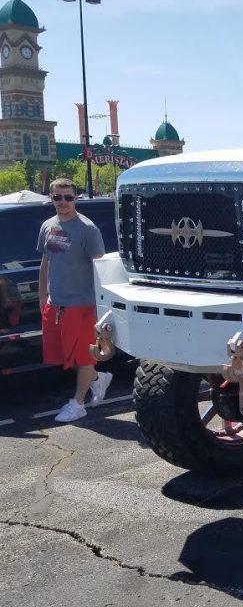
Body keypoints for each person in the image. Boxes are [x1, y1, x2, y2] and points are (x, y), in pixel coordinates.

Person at [37, 178, 113, 423]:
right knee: (65, 355)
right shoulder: (48, 226)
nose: (63, 202)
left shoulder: (87, 229)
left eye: (68, 197)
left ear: (76, 198)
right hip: (55, 304)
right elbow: (46, 262)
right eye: (57, 197)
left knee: (83, 355)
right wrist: (43, 296)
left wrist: (102, 305)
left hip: (82, 304)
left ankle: (78, 403)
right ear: (50, 198)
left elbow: (101, 267)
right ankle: (98, 379)